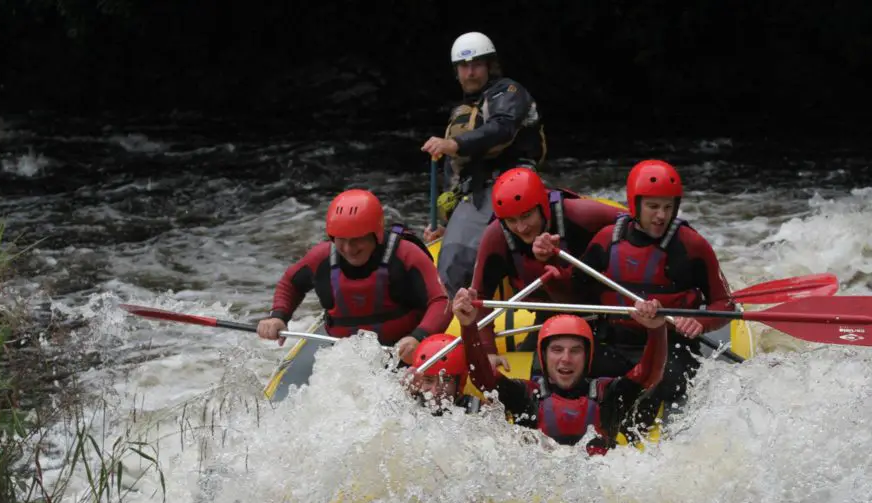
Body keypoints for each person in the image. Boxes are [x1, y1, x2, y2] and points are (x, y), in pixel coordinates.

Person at [535, 159, 733, 419]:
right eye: (653, 206)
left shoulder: (692, 245)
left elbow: (725, 304)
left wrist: (698, 322)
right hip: (615, 342)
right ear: (635, 205)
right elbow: (573, 293)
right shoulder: (607, 239)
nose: (661, 215)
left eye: (667, 207)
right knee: (567, 372)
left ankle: (651, 435)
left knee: (666, 380)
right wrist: (550, 269)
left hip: (671, 344)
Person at [452, 287, 668, 455]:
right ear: (544, 356)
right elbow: (482, 379)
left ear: (587, 357)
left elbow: (649, 376)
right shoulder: (527, 396)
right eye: (557, 350)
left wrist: (656, 329)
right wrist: (469, 326)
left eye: (575, 351)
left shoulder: (608, 394)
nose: (566, 359)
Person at [257, 189, 451, 363]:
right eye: (342, 240)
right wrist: (278, 316)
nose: (349, 249)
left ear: (376, 235)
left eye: (357, 240)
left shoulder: (406, 255)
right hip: (345, 359)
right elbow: (290, 283)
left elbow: (442, 301)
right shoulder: (321, 257)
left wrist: (419, 337)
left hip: (402, 355)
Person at [421, 31, 547, 297]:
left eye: (477, 64)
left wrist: (454, 145)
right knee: (450, 250)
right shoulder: (461, 112)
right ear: (457, 72)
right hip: (476, 192)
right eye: (464, 66)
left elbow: (501, 128)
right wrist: (447, 221)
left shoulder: (510, 92)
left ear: (490, 66)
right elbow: (454, 174)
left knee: (456, 261)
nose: (470, 72)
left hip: (513, 182)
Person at [470, 167, 624, 367]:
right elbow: (480, 296)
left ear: (542, 206)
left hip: (601, 310)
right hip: (548, 315)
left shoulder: (579, 214)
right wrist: (488, 350)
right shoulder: (496, 237)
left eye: (526, 216)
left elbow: (635, 224)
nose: (521, 227)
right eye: (512, 220)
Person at [405, 333, 482, 415]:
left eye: (446, 380)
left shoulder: (476, 409)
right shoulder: (408, 404)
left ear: (460, 383)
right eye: (428, 380)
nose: (435, 392)